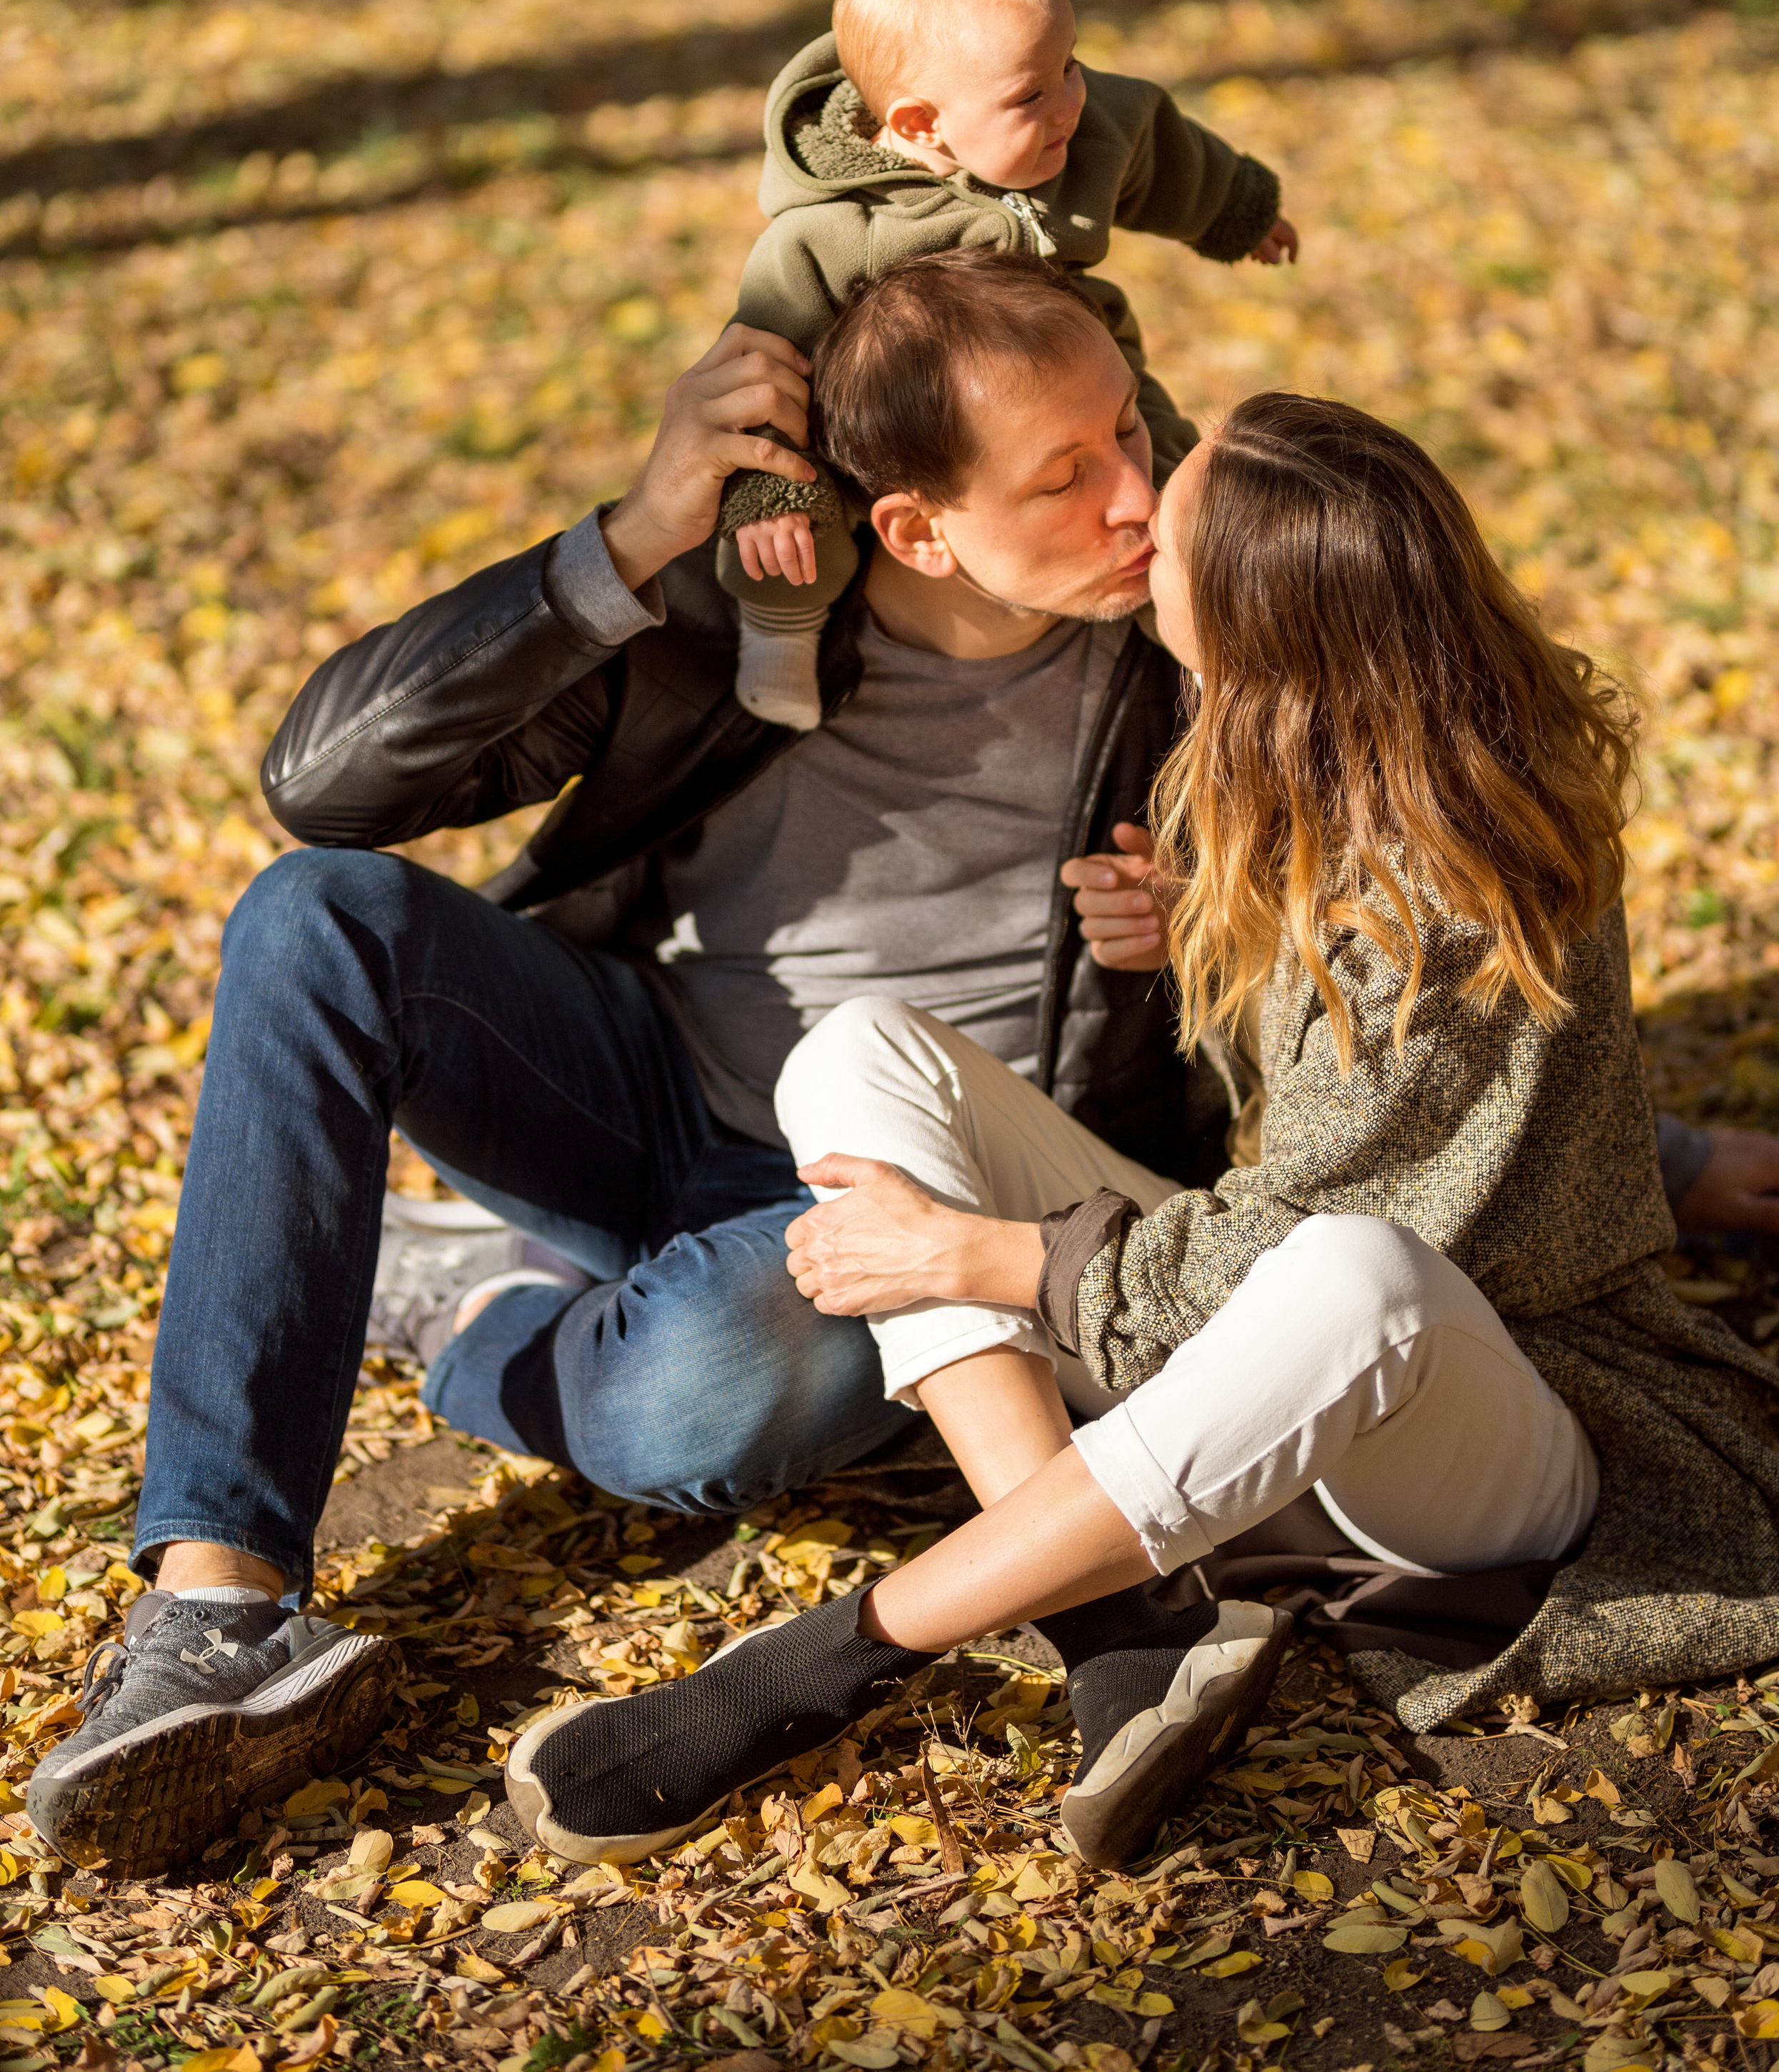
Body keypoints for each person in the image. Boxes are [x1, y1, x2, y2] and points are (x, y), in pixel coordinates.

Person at [505, 393, 1779, 1874]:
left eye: (1167, 517)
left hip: (1500, 1408)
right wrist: (1189, 952)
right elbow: (1321, 1116)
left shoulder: (1446, 876)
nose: (1132, 515)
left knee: (1352, 1281)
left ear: (1268, 627)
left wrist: (991, 1256)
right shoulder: (1305, 756)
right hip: (1268, 1329)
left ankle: (824, 1663)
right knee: (862, 1053)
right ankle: (1112, 1615)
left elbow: (1358, 1212)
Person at [24, 249, 1221, 1876]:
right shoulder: (747, 610)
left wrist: (1208, 930)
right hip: (641, 1081)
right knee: (317, 918)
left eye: (1130, 436)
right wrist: (633, 534)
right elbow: (324, 782)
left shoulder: (1184, 649)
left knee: (691, 1398)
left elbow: (1380, 979)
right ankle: (217, 1609)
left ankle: (468, 1310)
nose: (1137, 497)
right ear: (915, 528)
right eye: (1068, 471)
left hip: (890, 1214)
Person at [714, 0, 1298, 731]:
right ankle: (779, 634)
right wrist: (772, 480)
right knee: (788, 536)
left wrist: (1234, 210)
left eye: (1069, 66)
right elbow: (765, 354)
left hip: (1071, 359)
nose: (1067, 104)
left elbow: (1156, 154)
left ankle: (1201, 654)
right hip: (867, 411)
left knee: (1157, 479)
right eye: (1032, 93)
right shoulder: (830, 231)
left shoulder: (1075, 127)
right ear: (923, 125)